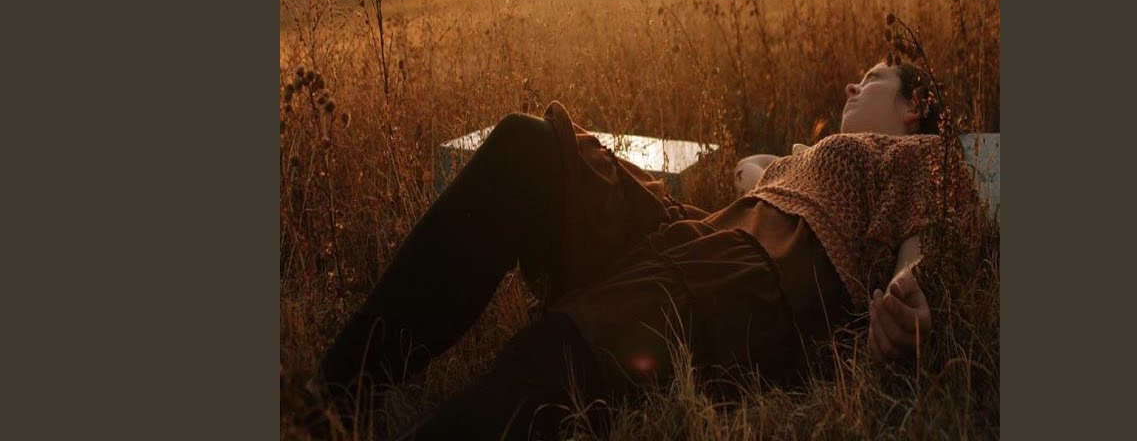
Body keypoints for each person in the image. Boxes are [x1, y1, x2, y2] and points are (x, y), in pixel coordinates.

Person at [313, 61, 979, 440]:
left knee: (569, 341)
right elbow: (750, 169)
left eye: (871, 79)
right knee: (527, 150)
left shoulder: (921, 155)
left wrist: (907, 285)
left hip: (768, 269)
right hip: (704, 230)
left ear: (916, 104)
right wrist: (786, 162)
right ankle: (333, 393)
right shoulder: (813, 156)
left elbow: (928, 234)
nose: (851, 88)